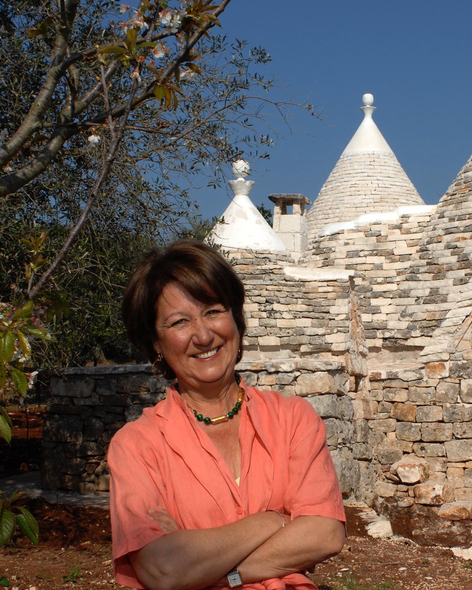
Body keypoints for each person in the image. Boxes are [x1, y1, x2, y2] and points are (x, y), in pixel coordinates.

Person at [110, 238, 346, 590]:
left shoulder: (292, 419)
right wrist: (273, 520)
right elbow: (163, 569)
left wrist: (209, 570)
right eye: (179, 322)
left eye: (213, 311)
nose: (203, 335)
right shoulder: (137, 446)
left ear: (235, 318)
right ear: (156, 343)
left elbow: (325, 533)